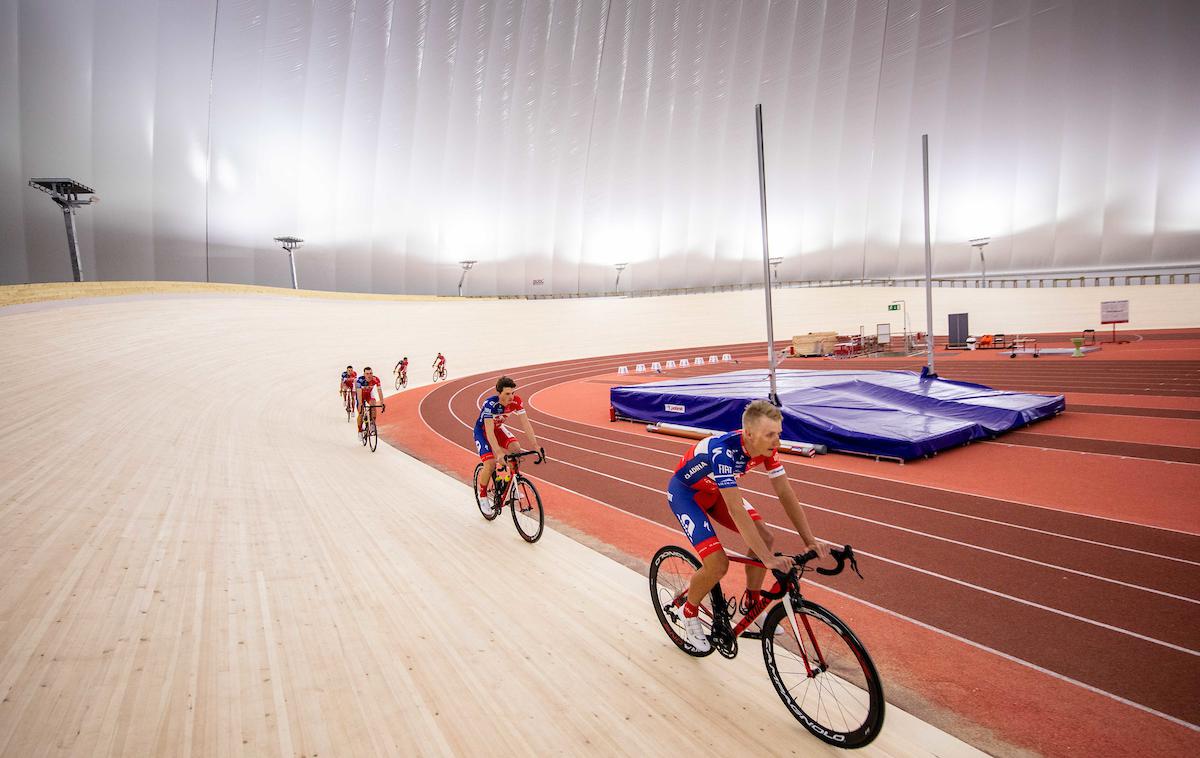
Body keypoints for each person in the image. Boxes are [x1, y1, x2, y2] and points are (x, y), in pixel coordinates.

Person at [667, 399, 824, 653]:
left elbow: (785, 493)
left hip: (716, 490)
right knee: (718, 564)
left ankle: (752, 603)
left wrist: (810, 539)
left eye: (779, 434)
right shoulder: (722, 452)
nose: (777, 442)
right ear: (749, 435)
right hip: (688, 495)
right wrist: (767, 560)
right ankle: (689, 610)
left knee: (766, 537)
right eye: (770, 435)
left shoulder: (767, 450)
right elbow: (736, 509)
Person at [473, 376, 544, 498]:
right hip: (483, 432)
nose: (511, 396)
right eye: (507, 393)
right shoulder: (490, 404)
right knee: (490, 464)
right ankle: (483, 495)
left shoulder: (516, 401)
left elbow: (526, 424)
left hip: (498, 429)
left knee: (516, 450)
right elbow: (489, 431)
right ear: (499, 393)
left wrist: (535, 445)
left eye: (512, 393)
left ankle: (512, 485)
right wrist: (499, 453)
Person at [355, 367, 384, 434]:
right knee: (361, 413)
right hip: (361, 395)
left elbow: (379, 390)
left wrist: (382, 402)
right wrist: (360, 404)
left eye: (371, 373)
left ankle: (372, 423)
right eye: (367, 373)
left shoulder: (376, 379)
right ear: (364, 374)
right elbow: (359, 394)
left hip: (369, 394)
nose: (369, 375)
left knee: (373, 405)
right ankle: (359, 430)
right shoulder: (360, 381)